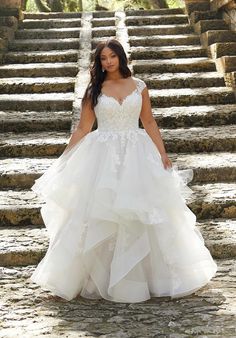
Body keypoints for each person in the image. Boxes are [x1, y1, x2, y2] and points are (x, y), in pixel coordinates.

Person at [29, 38, 217, 303]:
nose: (108, 62)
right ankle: (100, 279)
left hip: (137, 153)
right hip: (102, 155)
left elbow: (148, 121)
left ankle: (149, 279)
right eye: (103, 58)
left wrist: (162, 153)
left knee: (142, 214)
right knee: (102, 214)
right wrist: (66, 157)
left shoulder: (139, 86)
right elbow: (83, 128)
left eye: (112, 57)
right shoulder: (94, 90)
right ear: (99, 62)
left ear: (120, 57)